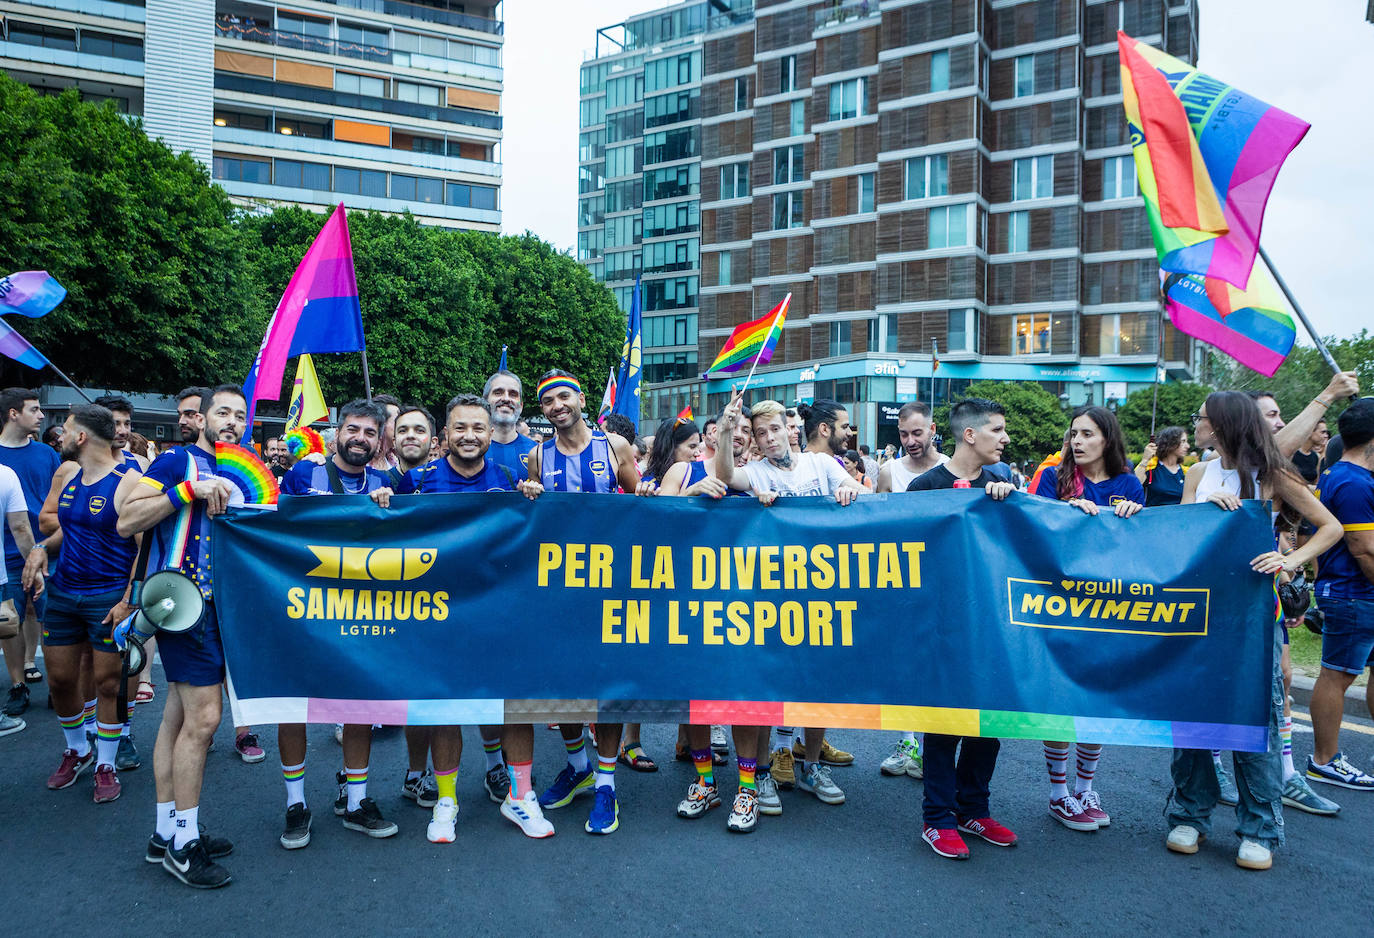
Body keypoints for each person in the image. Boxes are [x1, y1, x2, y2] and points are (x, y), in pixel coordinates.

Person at [1167, 391, 1342, 871]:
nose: (1196, 424)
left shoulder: (1270, 474)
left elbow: (1330, 528)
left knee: (1255, 717)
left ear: (1223, 426)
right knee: (1192, 717)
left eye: (1202, 419)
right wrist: (1204, 515)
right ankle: (1189, 814)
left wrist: (1289, 560)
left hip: (1248, 616)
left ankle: (1260, 827)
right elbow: (1178, 536)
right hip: (1196, 613)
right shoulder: (1198, 474)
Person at [392, 394, 550, 841]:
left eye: (478, 428)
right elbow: (385, 535)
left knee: (515, 706)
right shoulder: (416, 481)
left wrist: (534, 499)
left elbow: (536, 537)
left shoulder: (509, 477)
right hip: (438, 616)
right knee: (446, 708)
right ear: (445, 435)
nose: (470, 436)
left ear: (489, 434)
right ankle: (446, 801)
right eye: (460, 428)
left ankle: (520, 797)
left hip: (500, 615)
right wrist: (381, 500)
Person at [118, 384, 244, 889]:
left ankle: (165, 829)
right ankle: (184, 845)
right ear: (204, 417)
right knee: (206, 719)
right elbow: (127, 521)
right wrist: (184, 492)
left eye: (240, 414)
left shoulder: (248, 467)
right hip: (183, 607)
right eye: (223, 413)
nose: (231, 421)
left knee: (177, 717)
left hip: (226, 611)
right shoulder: (176, 462)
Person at [713, 397, 864, 817]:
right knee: (766, 686)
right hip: (770, 599)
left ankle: (812, 765)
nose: (769, 438)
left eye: (774, 430)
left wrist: (853, 488)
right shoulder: (756, 471)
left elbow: (866, 498)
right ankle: (761, 772)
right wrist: (726, 432)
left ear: (789, 430)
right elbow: (724, 474)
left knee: (818, 683)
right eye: (760, 434)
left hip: (821, 594)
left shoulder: (820, 465)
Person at [276, 400, 401, 848]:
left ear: (379, 439)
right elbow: (272, 530)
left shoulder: (387, 482)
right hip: (303, 610)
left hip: (361, 613)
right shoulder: (301, 475)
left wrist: (389, 511)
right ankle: (296, 804)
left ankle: (356, 802)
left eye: (370, 433)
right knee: (293, 708)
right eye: (353, 429)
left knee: (359, 708)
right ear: (336, 432)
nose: (360, 439)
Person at [528, 369, 648, 835]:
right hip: (559, 591)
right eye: (547, 401)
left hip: (611, 586)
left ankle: (606, 785)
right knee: (564, 685)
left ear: (581, 399)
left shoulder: (614, 447)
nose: (557, 405)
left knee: (607, 689)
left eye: (564, 396)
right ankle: (577, 766)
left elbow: (643, 502)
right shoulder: (537, 456)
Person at [907, 398, 1019, 858]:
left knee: (988, 723)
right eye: (997, 430)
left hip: (991, 624)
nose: (1005, 439)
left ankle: (973, 808)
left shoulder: (1005, 482)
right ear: (970, 435)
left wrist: (1012, 503)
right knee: (944, 723)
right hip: (941, 626)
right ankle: (937, 818)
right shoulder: (924, 487)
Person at [1032, 406, 1144, 832]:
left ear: (1107, 439)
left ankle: (1085, 789)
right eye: (1073, 433)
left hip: (1108, 608)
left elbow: (1135, 546)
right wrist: (1065, 515)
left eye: (1087, 434)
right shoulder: (1052, 478)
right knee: (1061, 697)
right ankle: (1059, 793)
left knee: (1098, 696)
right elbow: (1033, 530)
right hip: (1060, 606)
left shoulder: (1129, 484)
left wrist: (1133, 518)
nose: (1076, 441)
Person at [23, 404, 138, 803]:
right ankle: (78, 749)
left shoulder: (129, 482)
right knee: (59, 681)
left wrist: (128, 601)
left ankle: (106, 763)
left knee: (107, 684)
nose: (61, 435)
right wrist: (40, 548)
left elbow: (144, 549)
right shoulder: (69, 474)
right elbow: (64, 530)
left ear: (83, 437)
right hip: (63, 592)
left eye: (68, 430)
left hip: (107, 596)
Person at [1306, 397, 1374, 791]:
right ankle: (1324, 760)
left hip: (1359, 593)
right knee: (1337, 675)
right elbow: (1363, 549)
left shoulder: (1344, 474)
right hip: (1353, 593)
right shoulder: (1350, 480)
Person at [0, 388, 61, 718]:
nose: (41, 416)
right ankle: (18, 685)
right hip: (6, 553)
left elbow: (58, 501)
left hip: (49, 549)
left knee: (53, 618)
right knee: (10, 620)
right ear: (13, 414)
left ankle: (57, 685)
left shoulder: (47, 454)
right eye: (34, 409)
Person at [484, 370, 537, 480]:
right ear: (485, 401)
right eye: (498, 392)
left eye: (513, 394)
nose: (506, 399)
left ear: (521, 406)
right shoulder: (470, 449)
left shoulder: (537, 452)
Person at [92, 395, 148, 471]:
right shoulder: (79, 466)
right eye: (115, 424)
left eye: (127, 424)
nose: (123, 431)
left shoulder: (142, 464)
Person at [1136, 426, 1189, 507]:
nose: (1187, 446)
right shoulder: (1151, 468)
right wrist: (1145, 460)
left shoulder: (1186, 472)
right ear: (1171, 442)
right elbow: (1134, 485)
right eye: (1183, 441)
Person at [1290, 419, 1327, 488]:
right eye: (1322, 432)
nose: (1326, 436)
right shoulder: (1292, 454)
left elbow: (1316, 482)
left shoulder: (1316, 456)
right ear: (1310, 432)